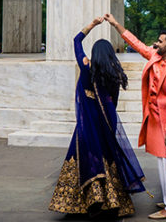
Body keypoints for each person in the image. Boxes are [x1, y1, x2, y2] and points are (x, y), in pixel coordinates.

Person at [49, 17, 146, 217]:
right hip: (106, 119)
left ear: (94, 53)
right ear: (110, 54)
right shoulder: (114, 73)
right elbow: (113, 101)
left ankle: (83, 202)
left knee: (85, 154)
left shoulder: (86, 66)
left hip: (88, 121)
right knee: (108, 155)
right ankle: (111, 201)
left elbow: (76, 41)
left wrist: (92, 25)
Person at [105, 13, 166, 220]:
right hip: (155, 120)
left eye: (160, 41)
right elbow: (137, 43)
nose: (156, 43)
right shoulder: (155, 55)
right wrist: (116, 25)